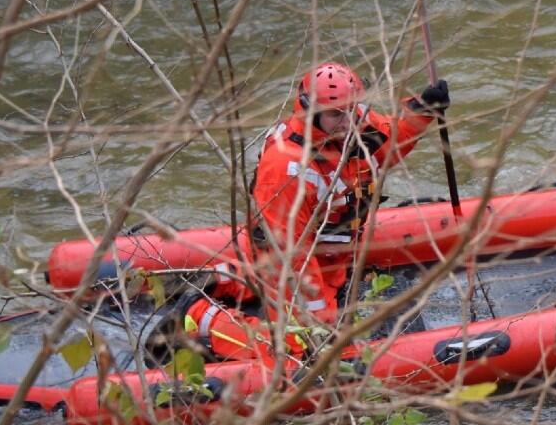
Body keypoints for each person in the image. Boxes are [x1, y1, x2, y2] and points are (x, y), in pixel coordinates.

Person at [182, 62, 450, 360]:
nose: (348, 121)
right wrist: (318, 324)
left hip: (328, 254)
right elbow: (290, 257)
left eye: (352, 109)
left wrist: (423, 111)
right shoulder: (288, 168)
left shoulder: (353, 125)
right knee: (297, 350)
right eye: (337, 114)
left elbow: (389, 140)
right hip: (291, 257)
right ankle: (203, 317)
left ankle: (229, 280)